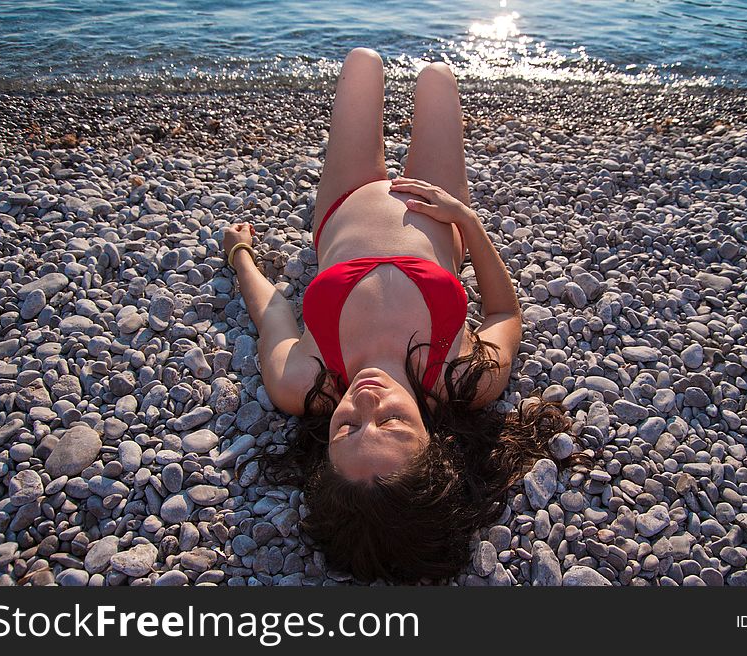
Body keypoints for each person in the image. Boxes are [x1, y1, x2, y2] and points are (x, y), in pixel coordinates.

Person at [222, 48, 575, 583]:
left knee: (361, 61)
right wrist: (467, 221)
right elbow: (504, 311)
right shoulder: (462, 379)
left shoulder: (302, 383)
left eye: (345, 428)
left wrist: (240, 254)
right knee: (437, 76)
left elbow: (271, 310)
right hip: (441, 209)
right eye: (391, 421)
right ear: (435, 446)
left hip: (345, 202)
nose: (364, 401)